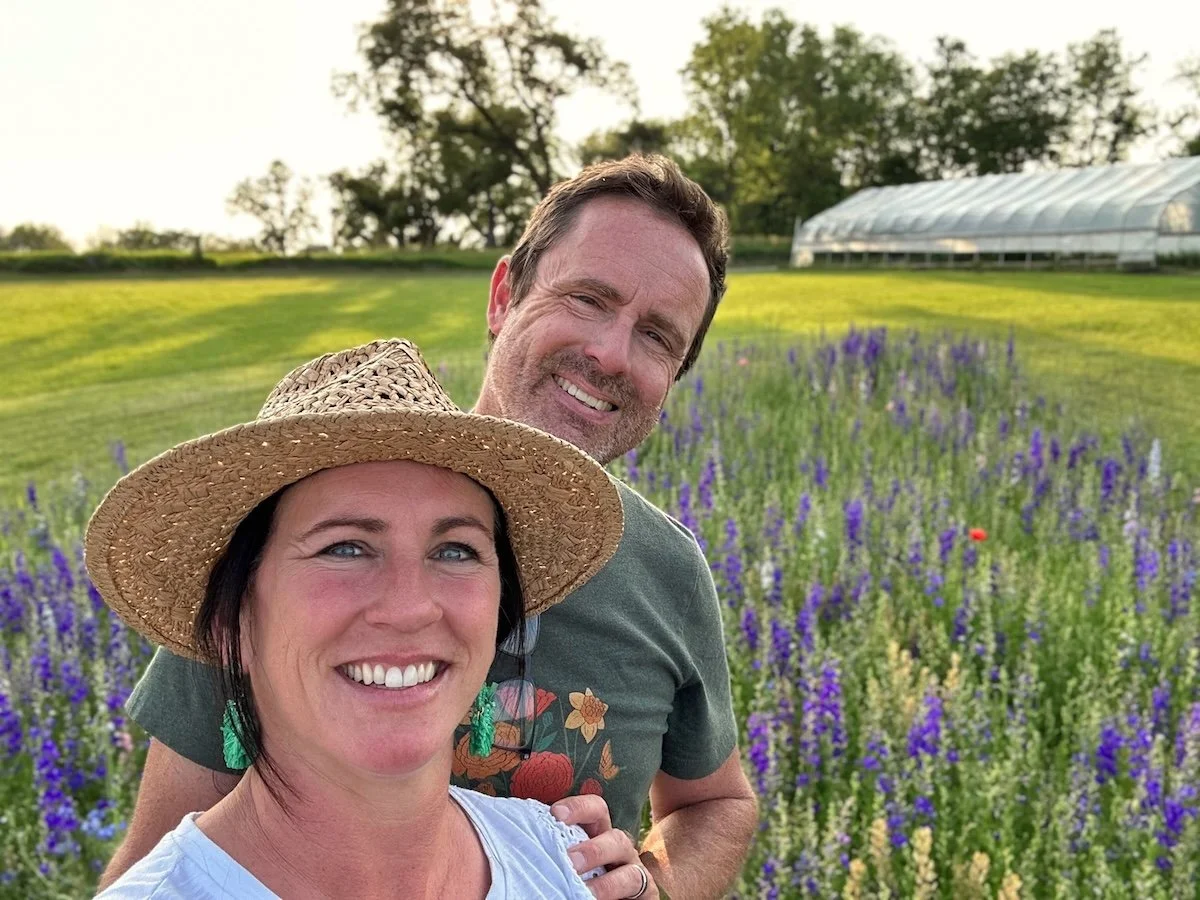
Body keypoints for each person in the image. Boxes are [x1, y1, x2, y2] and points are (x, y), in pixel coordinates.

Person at [99, 155, 757, 900]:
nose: (610, 352)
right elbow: (163, 856)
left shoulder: (664, 566)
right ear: (504, 296)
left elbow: (716, 800)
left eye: (658, 337)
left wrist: (659, 888)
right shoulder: (291, 532)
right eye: (587, 298)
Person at [87, 339, 627, 898]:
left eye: (456, 551)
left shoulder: (563, 861)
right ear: (236, 623)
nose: (410, 607)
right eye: (344, 548)